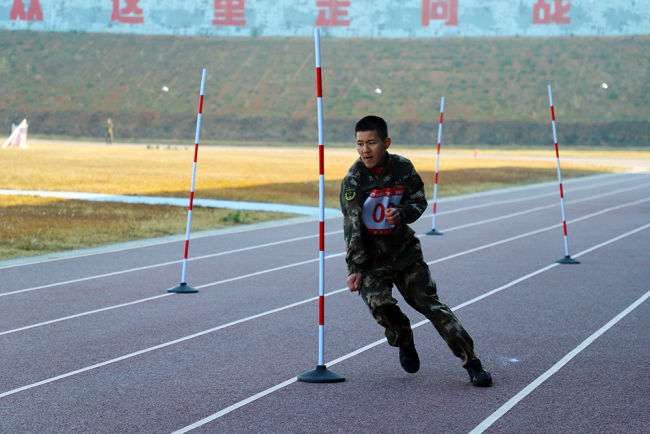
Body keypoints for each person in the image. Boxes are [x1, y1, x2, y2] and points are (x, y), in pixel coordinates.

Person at [340, 115, 492, 387]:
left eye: (371, 143)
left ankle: (473, 364)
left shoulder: (403, 168)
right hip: (372, 260)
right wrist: (355, 269)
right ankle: (403, 338)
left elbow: (418, 201)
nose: (365, 150)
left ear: (385, 143)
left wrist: (402, 213)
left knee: (431, 305)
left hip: (405, 255)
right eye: (359, 144)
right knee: (381, 305)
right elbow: (353, 228)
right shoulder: (354, 180)